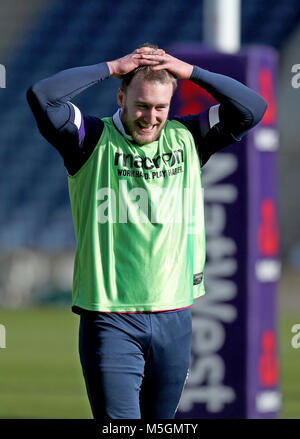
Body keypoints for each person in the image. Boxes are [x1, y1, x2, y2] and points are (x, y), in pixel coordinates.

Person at [27, 43, 267, 420]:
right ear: (121, 97)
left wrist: (189, 71)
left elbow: (253, 108)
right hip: (110, 318)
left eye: (161, 107)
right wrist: (113, 66)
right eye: (141, 105)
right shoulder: (89, 140)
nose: (150, 117)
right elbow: (43, 96)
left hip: (175, 317)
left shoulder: (188, 138)